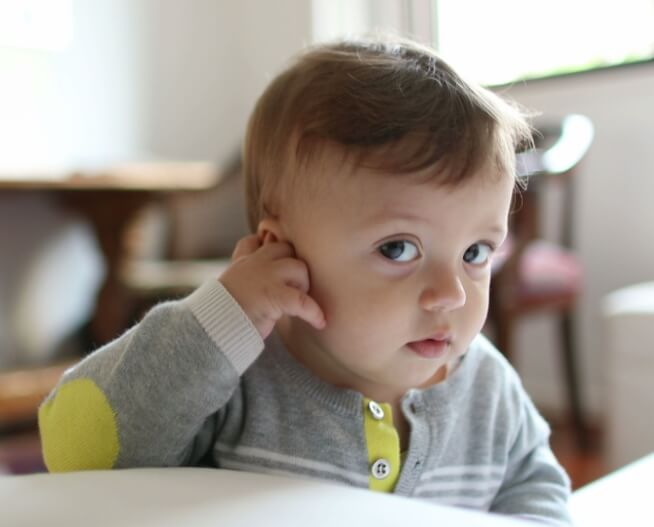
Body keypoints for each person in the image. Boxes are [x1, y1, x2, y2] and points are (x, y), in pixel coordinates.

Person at [39, 37, 571, 525]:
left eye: (476, 252)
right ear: (281, 253)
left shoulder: (488, 388)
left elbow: (535, 490)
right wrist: (219, 320)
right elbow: (76, 450)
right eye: (398, 249)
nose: (451, 293)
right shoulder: (235, 379)